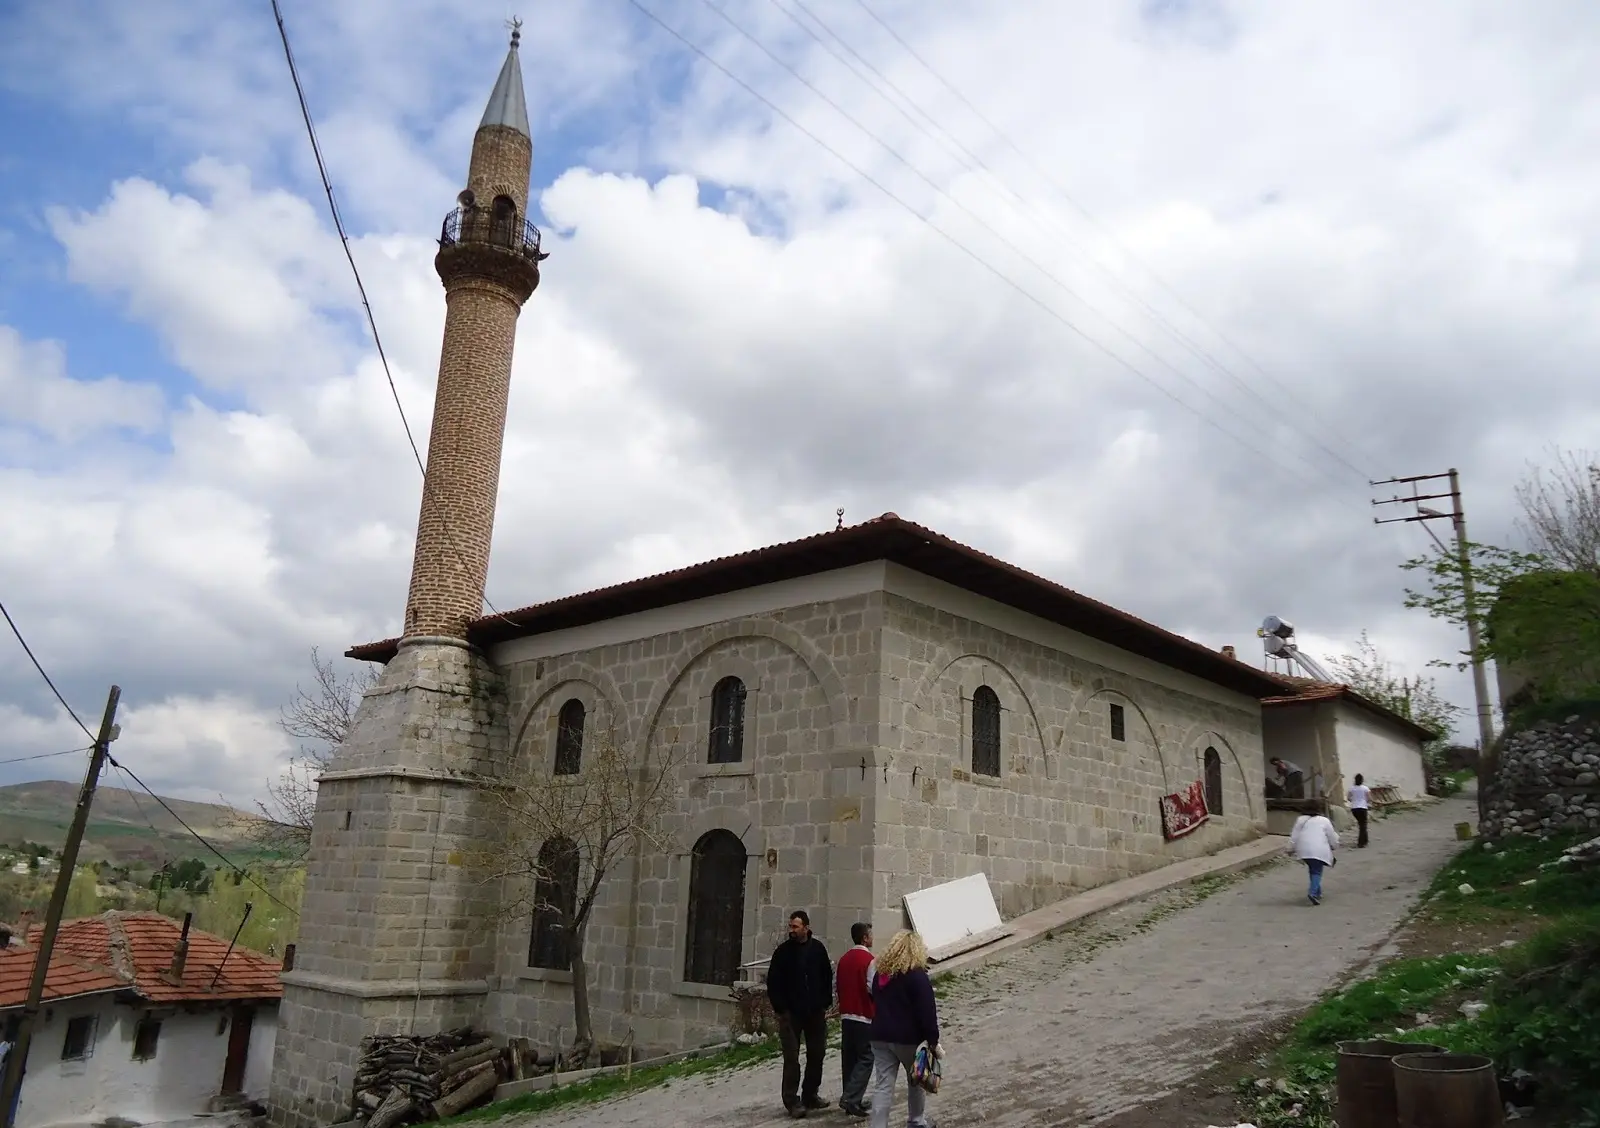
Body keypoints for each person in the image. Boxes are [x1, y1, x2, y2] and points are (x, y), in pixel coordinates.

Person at [868, 929, 942, 1128]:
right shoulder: (917, 977)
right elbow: (927, 1011)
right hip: (909, 1039)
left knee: (883, 1085)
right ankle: (916, 1121)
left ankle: (878, 1125)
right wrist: (933, 1040)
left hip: (880, 1036)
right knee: (916, 1080)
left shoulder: (881, 975)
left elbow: (873, 999)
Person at [767, 910, 834, 1118]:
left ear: (806, 927)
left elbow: (826, 976)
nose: (792, 930)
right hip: (791, 1014)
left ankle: (810, 1095)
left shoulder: (818, 950)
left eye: (796, 926)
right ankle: (791, 1100)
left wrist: (824, 1002)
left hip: (814, 1011)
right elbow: (774, 982)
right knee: (792, 1058)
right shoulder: (783, 953)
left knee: (817, 1054)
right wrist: (781, 1009)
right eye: (791, 926)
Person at [836, 922, 876, 1119]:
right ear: (864, 938)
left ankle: (851, 1096)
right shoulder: (869, 960)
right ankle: (851, 1097)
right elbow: (872, 987)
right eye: (870, 935)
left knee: (849, 1058)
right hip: (863, 1014)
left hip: (846, 1014)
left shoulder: (843, 959)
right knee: (867, 1057)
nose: (872, 938)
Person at [1288, 799, 1341, 905]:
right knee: (1317, 871)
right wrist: (1335, 845)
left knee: (1313, 869)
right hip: (1319, 849)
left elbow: (1294, 836)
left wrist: (1290, 848)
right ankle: (1312, 893)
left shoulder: (1300, 819)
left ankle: (1317, 892)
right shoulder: (1324, 820)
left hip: (1303, 849)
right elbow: (1332, 836)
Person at [1348, 773, 1372, 847]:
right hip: (1363, 807)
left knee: (1361, 824)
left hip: (1354, 808)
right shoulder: (1365, 788)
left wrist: (1354, 800)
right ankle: (1361, 842)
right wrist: (1366, 802)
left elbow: (1348, 798)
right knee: (1363, 825)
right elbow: (1369, 798)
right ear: (1362, 780)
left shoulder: (1352, 788)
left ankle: (1365, 840)